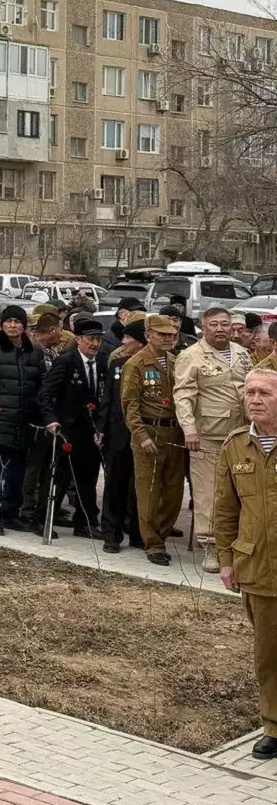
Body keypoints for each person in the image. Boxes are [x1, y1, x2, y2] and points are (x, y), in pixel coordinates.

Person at [214, 368, 277, 760]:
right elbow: (225, 508)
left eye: (265, 393)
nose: (255, 399)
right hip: (257, 567)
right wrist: (226, 560)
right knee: (269, 654)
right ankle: (274, 725)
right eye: (250, 392)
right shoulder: (236, 445)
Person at [173, 306, 250, 572]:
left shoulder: (242, 354)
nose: (220, 329)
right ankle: (211, 547)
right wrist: (189, 429)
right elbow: (183, 394)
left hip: (239, 434)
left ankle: (237, 545)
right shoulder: (191, 356)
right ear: (203, 328)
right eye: (214, 324)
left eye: (225, 324)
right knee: (209, 493)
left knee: (240, 490)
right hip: (207, 436)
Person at [0, 305, 43, 535]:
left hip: (24, 421)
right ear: (2, 325)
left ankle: (11, 513)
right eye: (8, 321)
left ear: (24, 326)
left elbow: (41, 387)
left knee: (18, 472)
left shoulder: (35, 351)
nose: (13, 326)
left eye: (17, 322)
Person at [121, 314, 184, 566]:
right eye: (162, 334)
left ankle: (163, 534)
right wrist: (141, 434)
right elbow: (129, 405)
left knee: (173, 492)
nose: (168, 339)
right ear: (148, 335)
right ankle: (153, 543)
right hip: (149, 432)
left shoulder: (176, 361)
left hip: (174, 433)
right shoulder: (136, 364)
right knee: (148, 491)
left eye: (171, 334)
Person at [37, 316, 106, 538]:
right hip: (67, 429)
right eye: (90, 339)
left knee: (88, 478)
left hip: (91, 431)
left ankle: (85, 521)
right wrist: (51, 419)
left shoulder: (102, 362)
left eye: (97, 340)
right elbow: (46, 393)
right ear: (78, 340)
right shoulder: (66, 361)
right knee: (58, 477)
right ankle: (43, 518)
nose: (94, 344)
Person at [98, 318, 146, 553]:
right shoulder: (117, 364)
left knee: (141, 486)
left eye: (128, 338)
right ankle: (111, 534)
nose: (123, 342)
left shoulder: (153, 366)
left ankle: (138, 533)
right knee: (115, 484)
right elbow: (107, 399)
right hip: (117, 432)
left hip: (143, 434)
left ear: (140, 342)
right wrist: (101, 429)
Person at [22, 309, 69, 525]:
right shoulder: (31, 350)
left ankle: (43, 507)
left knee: (43, 465)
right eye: (59, 329)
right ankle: (27, 508)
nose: (61, 334)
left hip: (47, 417)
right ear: (51, 329)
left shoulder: (49, 351)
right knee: (33, 465)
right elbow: (35, 386)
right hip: (35, 417)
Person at [98, 296, 146, 366]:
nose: (138, 315)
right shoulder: (109, 339)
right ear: (121, 314)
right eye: (134, 312)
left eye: (141, 312)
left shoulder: (146, 334)